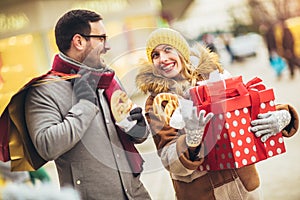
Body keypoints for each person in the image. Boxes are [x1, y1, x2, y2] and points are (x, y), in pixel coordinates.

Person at [1, 9, 151, 199]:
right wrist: (85, 105)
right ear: (79, 41)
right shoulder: (43, 91)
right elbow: (47, 146)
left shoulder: (107, 79)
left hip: (136, 193)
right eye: (101, 38)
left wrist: (138, 130)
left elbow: (127, 132)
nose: (108, 46)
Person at [135, 28, 299, 200]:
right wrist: (191, 141)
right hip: (203, 195)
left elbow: (244, 110)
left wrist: (282, 116)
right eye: (155, 55)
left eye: (168, 49)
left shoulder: (215, 77)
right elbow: (169, 159)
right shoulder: (158, 103)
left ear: (181, 51)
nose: (163, 59)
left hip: (243, 187)